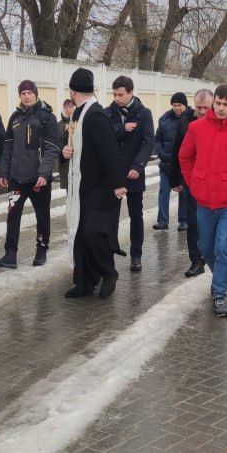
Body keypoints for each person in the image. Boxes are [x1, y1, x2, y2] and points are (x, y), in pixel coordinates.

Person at [179, 84, 227, 317]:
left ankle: (220, 292)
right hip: (203, 199)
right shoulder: (196, 127)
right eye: (218, 103)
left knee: (224, 247)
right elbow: (185, 157)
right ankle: (221, 277)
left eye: (226, 104)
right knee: (205, 246)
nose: (221, 108)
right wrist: (194, 182)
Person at [63, 68, 128, 298]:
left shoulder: (95, 115)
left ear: (72, 91)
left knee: (93, 233)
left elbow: (110, 150)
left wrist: (119, 183)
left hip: (100, 187)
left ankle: (108, 272)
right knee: (81, 236)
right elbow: (78, 145)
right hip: (84, 185)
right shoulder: (78, 114)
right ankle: (84, 283)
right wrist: (67, 151)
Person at [0, 80, 62, 268]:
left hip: (38, 180)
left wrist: (44, 173)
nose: (26, 96)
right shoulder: (15, 118)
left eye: (29, 93)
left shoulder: (46, 117)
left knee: (42, 215)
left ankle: (41, 249)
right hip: (17, 179)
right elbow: (7, 146)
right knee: (13, 215)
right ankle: (10, 254)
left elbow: (52, 148)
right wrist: (3, 171)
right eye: (23, 93)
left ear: (35, 94)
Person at [105, 76, 154, 272]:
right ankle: (109, 253)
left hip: (134, 172)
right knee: (111, 216)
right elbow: (106, 138)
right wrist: (121, 128)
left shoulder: (144, 113)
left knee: (136, 215)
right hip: (113, 173)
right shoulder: (107, 113)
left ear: (131, 93)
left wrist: (138, 166)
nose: (117, 98)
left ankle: (136, 255)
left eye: (121, 94)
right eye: (114, 94)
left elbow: (149, 142)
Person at [170, 89, 210, 277]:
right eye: (199, 107)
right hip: (192, 179)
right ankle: (196, 260)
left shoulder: (218, 122)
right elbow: (178, 151)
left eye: (206, 107)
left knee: (211, 222)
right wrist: (175, 178)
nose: (202, 111)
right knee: (193, 221)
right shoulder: (185, 122)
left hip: (214, 180)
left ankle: (211, 256)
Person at [154, 92, 190, 232]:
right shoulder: (164, 119)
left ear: (185, 105)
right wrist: (160, 152)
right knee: (163, 191)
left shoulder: (190, 119)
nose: (177, 108)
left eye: (179, 105)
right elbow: (157, 139)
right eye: (174, 105)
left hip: (183, 163)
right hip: (166, 162)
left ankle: (184, 220)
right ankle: (162, 220)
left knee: (184, 193)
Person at [57, 98, 76, 191]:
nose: (68, 109)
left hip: (78, 162)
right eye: (66, 107)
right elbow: (56, 144)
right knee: (69, 193)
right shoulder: (59, 125)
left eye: (70, 107)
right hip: (65, 163)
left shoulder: (79, 122)